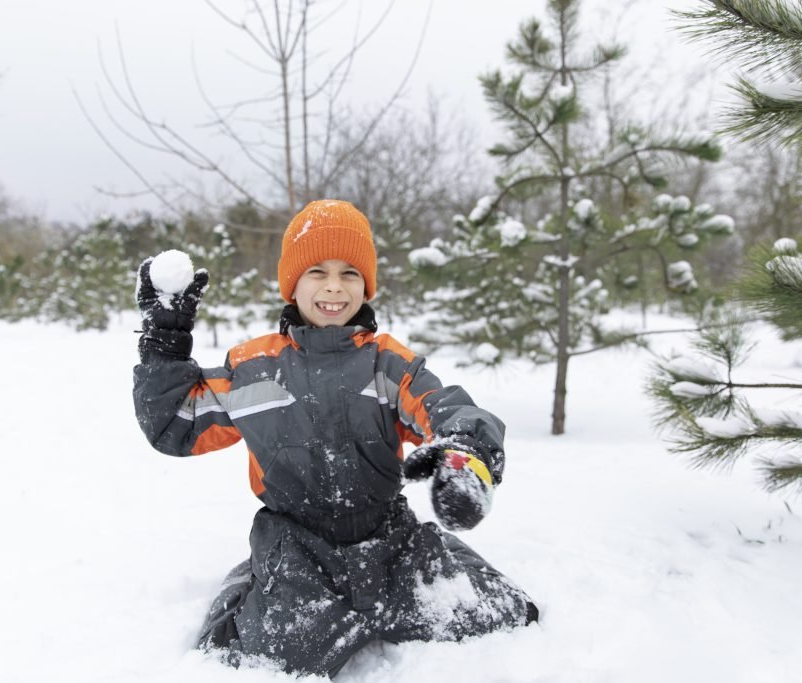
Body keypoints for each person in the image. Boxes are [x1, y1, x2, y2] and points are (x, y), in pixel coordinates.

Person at [133, 199, 537, 678]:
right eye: (317, 271)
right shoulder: (254, 369)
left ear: (365, 284)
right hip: (299, 546)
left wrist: (465, 453)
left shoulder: (386, 363)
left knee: (504, 613)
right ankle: (256, 580)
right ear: (292, 282)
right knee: (260, 656)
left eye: (349, 273)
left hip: (389, 541)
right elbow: (175, 425)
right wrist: (165, 342)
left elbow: (444, 407)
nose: (333, 286)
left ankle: (436, 564)